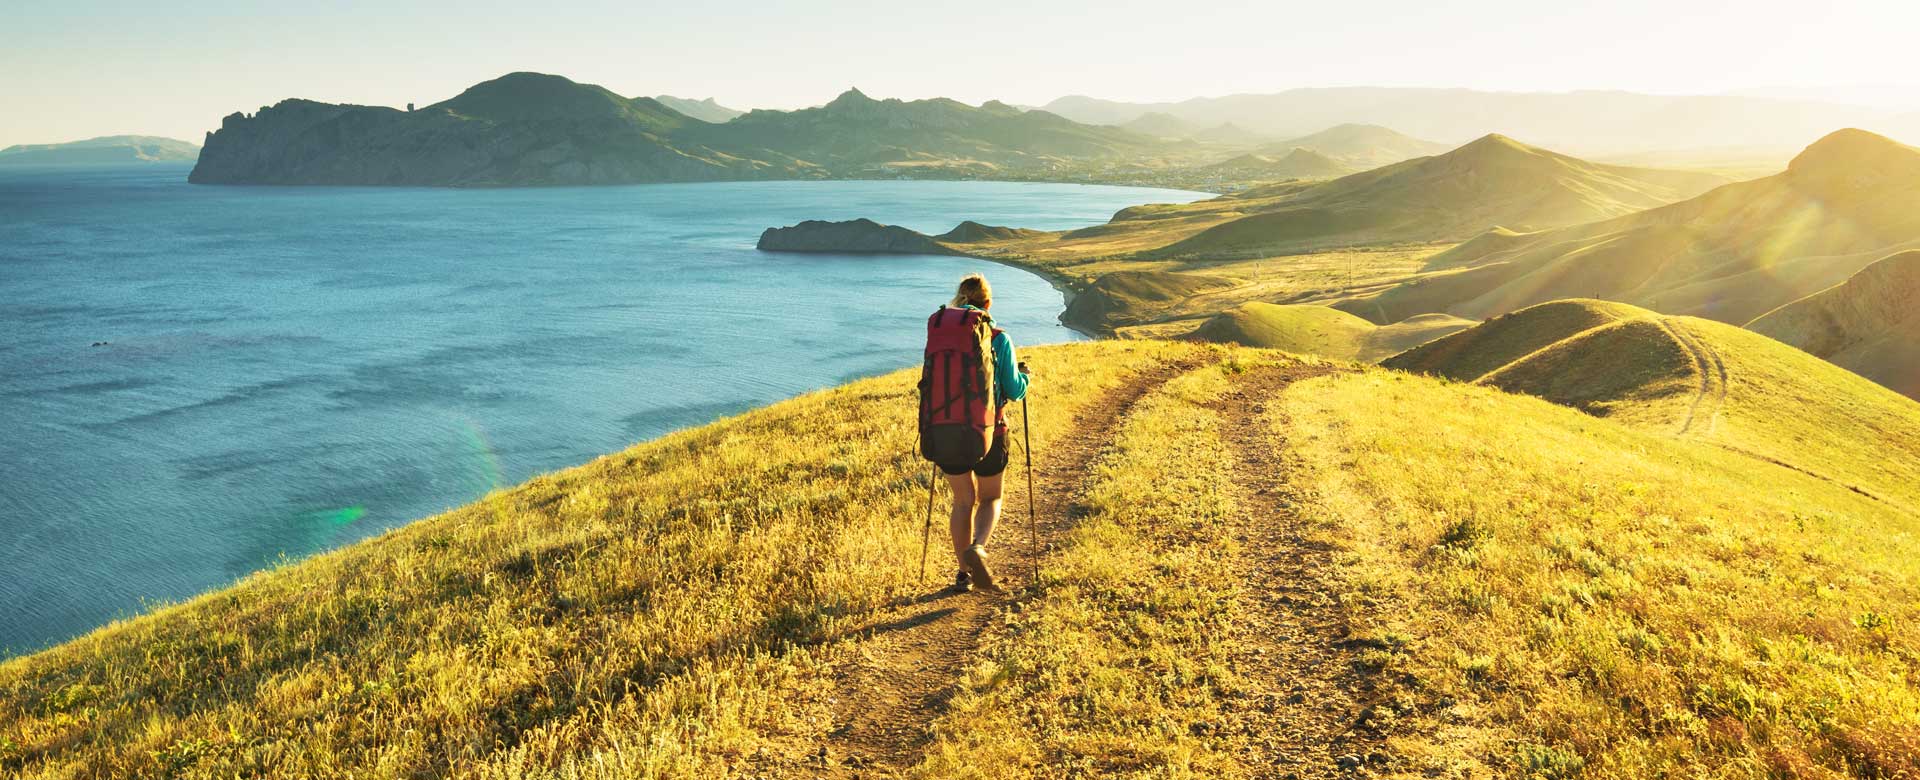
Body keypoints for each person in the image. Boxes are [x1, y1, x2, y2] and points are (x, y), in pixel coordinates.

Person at [937, 273, 1029, 593]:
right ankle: (977, 547)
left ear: (958, 301)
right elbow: (1015, 390)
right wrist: (1025, 378)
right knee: (991, 497)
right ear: (988, 304)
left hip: (945, 430)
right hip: (989, 430)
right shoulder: (999, 338)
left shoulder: (942, 336)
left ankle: (963, 574)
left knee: (963, 500)